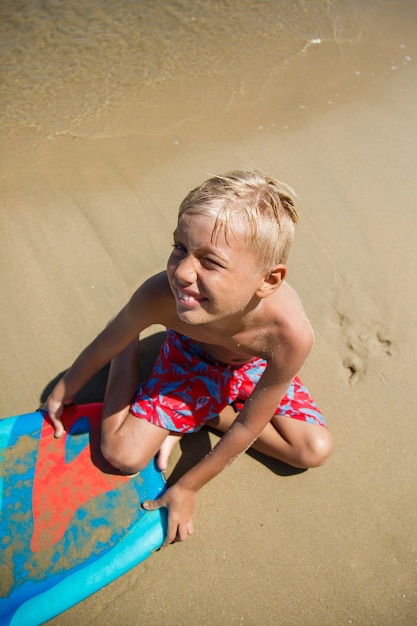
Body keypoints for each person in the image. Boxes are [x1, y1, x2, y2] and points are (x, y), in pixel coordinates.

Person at [45, 170, 332, 546]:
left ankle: (202, 412)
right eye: (180, 247)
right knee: (122, 455)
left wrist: (188, 486)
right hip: (190, 354)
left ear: (269, 281)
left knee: (312, 450)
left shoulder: (288, 337)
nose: (181, 272)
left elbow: (247, 426)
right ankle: (131, 354)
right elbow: (106, 340)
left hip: (251, 366)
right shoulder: (160, 295)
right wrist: (64, 389)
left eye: (210, 262)